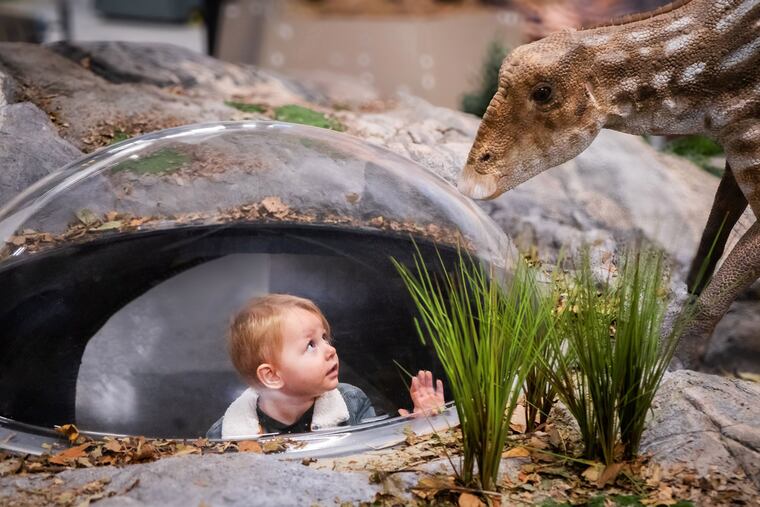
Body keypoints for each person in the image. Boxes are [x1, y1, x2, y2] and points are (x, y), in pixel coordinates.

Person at [207, 294, 445, 438]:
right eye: (311, 345)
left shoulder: (352, 403)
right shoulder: (227, 434)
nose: (330, 350)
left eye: (325, 338)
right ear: (271, 375)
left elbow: (376, 455)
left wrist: (422, 423)